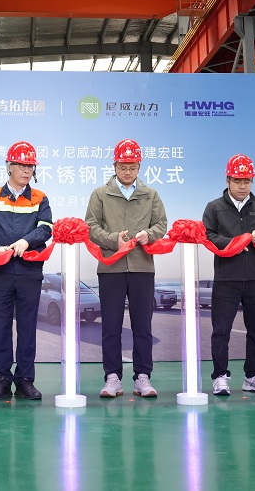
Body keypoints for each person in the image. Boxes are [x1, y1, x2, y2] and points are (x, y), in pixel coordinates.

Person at [85, 139, 168, 399]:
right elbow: (90, 227)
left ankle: (143, 377)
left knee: (143, 325)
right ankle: (113, 377)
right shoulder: (100, 194)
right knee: (111, 325)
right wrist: (113, 240)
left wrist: (149, 235)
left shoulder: (150, 195)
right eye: (123, 167)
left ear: (139, 166)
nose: (128, 172)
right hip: (111, 267)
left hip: (142, 267)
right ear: (115, 165)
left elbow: (161, 224)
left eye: (132, 167)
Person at [0, 141, 54, 400]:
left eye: (30, 166)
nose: (27, 170)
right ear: (9, 166)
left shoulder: (40, 197)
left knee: (28, 327)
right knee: (1, 327)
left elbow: (46, 228)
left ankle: (25, 380)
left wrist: (26, 241)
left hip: (30, 272)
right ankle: (1, 380)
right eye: (21, 165)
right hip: (1, 272)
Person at [201, 154, 255, 396]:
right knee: (221, 330)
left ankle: (253, 376)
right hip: (227, 278)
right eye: (237, 181)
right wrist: (233, 243)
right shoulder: (214, 207)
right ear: (227, 180)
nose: (242, 186)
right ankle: (220, 377)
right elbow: (207, 235)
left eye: (247, 181)